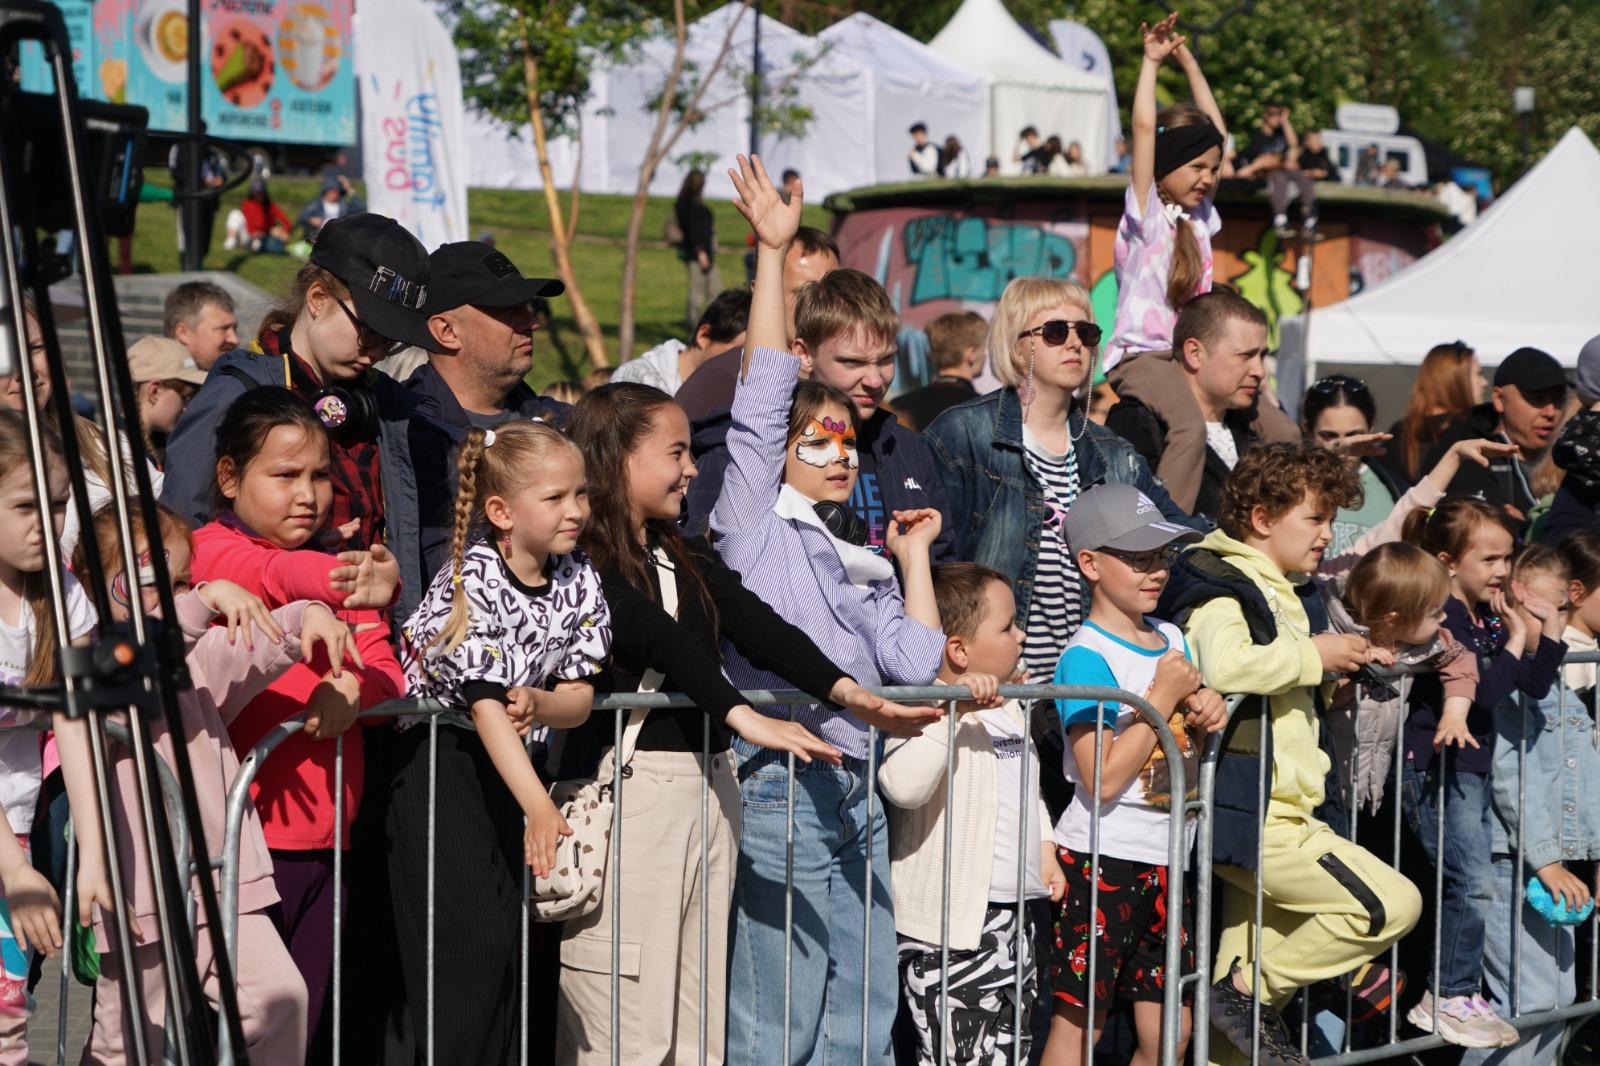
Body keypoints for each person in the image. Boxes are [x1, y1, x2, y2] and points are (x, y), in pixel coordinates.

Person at [562, 383, 930, 1063]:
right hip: (637, 796)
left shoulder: (682, 553)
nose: (693, 467)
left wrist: (852, 694)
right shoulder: (584, 562)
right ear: (619, 460)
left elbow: (762, 629)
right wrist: (740, 713)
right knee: (633, 1024)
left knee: (698, 1023)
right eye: (675, 452)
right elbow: (656, 638)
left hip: (710, 791)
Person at [718, 153, 946, 1066]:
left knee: (862, 998)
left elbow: (916, 664)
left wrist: (914, 560)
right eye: (817, 441)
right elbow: (765, 388)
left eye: (847, 442)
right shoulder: (749, 524)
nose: (840, 453)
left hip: (856, 780)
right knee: (781, 1006)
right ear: (778, 453)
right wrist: (775, 253)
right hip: (779, 780)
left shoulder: (856, 552)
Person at [1158, 442, 1421, 1066]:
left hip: (1287, 808)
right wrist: (1317, 656)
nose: (1328, 534)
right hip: (1255, 814)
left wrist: (1340, 670)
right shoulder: (1220, 583)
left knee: (1234, 1044)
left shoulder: (1288, 587)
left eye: (1332, 520)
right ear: (1262, 518)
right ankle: (1240, 992)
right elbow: (1223, 667)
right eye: (1316, 519)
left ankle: (1239, 999)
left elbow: (1284, 685)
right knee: (1389, 904)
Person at [70, 503, 337, 1064]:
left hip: (223, 883)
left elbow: (268, 639)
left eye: (180, 581)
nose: (169, 597)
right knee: (126, 1044)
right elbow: (122, 676)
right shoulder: (90, 660)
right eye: (147, 583)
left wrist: (310, 613)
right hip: (138, 893)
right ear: (93, 583)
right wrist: (204, 597)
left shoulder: (202, 655)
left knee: (282, 1001)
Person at [190, 388, 405, 1052]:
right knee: (225, 1029)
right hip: (236, 843)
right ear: (229, 477)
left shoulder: (328, 560)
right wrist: (343, 579)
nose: (308, 494)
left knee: (299, 1027)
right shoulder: (206, 553)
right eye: (284, 476)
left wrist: (352, 690)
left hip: (327, 845)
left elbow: (388, 671)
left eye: (318, 475)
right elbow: (271, 572)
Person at [394, 421, 610, 1064]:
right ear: (501, 512)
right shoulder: (475, 577)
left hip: (511, 769)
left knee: (508, 948)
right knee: (472, 950)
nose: (575, 510)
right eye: (555, 498)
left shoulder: (577, 574)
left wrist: (543, 702)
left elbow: (580, 696)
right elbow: (485, 710)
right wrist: (541, 807)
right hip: (443, 765)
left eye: (581, 493)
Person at [925, 277, 1195, 687]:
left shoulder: (1113, 453)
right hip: (996, 689)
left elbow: (1176, 537)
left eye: (1086, 333)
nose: (1075, 344)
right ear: (1017, 345)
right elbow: (937, 569)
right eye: (1054, 332)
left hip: (1085, 689)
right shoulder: (964, 434)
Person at [1042, 485, 1226, 1066]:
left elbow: (1186, 737)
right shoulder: (1085, 654)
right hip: (1104, 859)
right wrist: (1159, 697)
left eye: (1163, 556)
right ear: (1090, 564)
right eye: (1139, 557)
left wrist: (1209, 710)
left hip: (1171, 856)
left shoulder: (1171, 637)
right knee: (1080, 1031)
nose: (1157, 570)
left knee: (1171, 1035)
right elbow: (1101, 777)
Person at [161, 213, 439, 557]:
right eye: (370, 330)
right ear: (318, 299)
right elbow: (183, 530)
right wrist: (294, 560)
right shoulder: (238, 393)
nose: (379, 352)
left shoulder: (380, 398)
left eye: (392, 340)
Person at [1106, 18, 1299, 511]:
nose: (1208, 177)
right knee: (1190, 427)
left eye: (1214, 169)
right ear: (1165, 168)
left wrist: (1188, 59)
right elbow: (1145, 127)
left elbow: (1220, 133)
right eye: (1197, 168)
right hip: (1145, 357)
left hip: (1189, 358)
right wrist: (1151, 62)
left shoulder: (1198, 221)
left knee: (1282, 428)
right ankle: (1165, 529)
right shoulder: (1147, 217)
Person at [880, 562, 1067, 1066]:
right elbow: (902, 786)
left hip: (1020, 921)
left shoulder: (1009, 709)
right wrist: (954, 710)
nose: (1021, 634)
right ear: (958, 650)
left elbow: (1028, 793)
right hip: (952, 934)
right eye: (1007, 627)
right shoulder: (923, 711)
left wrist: (1045, 851)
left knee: (1013, 1054)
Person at [1399, 497, 1563, 1047]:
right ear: (1448, 561)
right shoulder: (1443, 615)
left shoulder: (1484, 615)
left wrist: (1550, 627)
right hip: (1439, 766)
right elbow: (1485, 696)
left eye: (1507, 558)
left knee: (1473, 886)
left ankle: (1454, 992)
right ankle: (1447, 994)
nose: (1502, 571)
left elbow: (1534, 684)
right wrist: (1517, 640)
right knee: (1470, 885)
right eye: (1490, 560)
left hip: (1470, 768)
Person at [682, 246, 954, 563]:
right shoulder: (749, 447)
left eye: (886, 360)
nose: (876, 380)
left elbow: (943, 564)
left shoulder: (906, 449)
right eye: (852, 362)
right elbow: (702, 564)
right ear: (804, 354)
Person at [1465, 541, 1600, 1066]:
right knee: (1526, 1005)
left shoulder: (1556, 675)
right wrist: (1544, 859)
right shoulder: (1507, 675)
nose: (1551, 621)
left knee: (1559, 1002)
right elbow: (1507, 773)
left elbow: (1580, 774)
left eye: (1559, 610)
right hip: (1514, 859)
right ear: (1507, 604)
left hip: (1555, 860)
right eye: (1538, 610)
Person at [401, 239, 570, 621]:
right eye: (509, 310)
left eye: (527, 306)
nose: (532, 321)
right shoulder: (405, 436)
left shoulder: (562, 426)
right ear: (446, 331)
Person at [0, 410, 93, 1060]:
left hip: (20, 825)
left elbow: (77, 718)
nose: (48, 521)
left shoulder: (62, 594)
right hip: (8, 851)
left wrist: (92, 853)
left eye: (58, 503)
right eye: (27, 504)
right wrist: (14, 870)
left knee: (11, 1008)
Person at [1108, 290, 1298, 520]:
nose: (1259, 371)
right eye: (1245, 356)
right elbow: (1131, 524)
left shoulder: (1253, 428)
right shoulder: (1138, 423)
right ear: (1194, 353)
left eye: (1261, 356)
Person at [1304, 372, 1516, 577]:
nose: (1346, 446)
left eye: (1354, 435)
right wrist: (1326, 462)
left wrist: (1453, 456)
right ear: (1307, 431)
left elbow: (1398, 526)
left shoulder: (1392, 487)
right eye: (1330, 437)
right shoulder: (1295, 489)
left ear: (1372, 429)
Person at [1326, 543, 1479, 819]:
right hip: (1323, 780)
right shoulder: (1331, 637)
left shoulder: (1425, 640)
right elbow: (1319, 699)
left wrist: (1455, 715)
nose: (1444, 618)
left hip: (1373, 779)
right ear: (1394, 619)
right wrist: (1359, 671)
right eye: (1434, 613)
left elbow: (1461, 661)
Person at [675, 225, 838, 422]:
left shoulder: (852, 377)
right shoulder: (721, 382)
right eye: (804, 292)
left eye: (833, 292)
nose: (821, 305)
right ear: (762, 291)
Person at [1422, 347, 1568, 528]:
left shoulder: (1573, 454)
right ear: (1499, 399)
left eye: (1558, 400)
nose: (1550, 412)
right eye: (1537, 399)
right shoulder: (1466, 452)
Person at [611, 287, 750, 396]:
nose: (748, 363)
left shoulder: (738, 390)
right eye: (740, 351)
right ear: (704, 336)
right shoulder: (638, 382)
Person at [1381, 342, 1485, 485]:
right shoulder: (1469, 429)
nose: (1484, 382)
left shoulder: (1399, 431)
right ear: (1455, 377)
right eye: (1479, 374)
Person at [890, 310, 987, 431]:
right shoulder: (986, 411)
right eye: (984, 348)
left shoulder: (898, 407)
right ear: (971, 354)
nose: (986, 354)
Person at [1234, 104, 1318, 234]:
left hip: (1283, 170)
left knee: (1303, 177)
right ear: (1265, 115)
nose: (1276, 118)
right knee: (1279, 177)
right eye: (1273, 114)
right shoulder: (1257, 136)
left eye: (1279, 114)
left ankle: (1310, 220)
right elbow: (1258, 162)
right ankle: (1280, 220)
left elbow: (1293, 144)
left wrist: (1285, 121)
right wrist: (1272, 162)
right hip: (1266, 174)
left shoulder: (1280, 134)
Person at [125, 335, 207, 468]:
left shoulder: (157, 442)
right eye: (185, 397)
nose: (187, 407)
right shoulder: (122, 450)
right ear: (154, 391)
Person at [676, 169, 720, 332]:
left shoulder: (690, 203)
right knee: (698, 293)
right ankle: (695, 327)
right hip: (699, 255)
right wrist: (701, 252)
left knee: (714, 291)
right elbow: (694, 231)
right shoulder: (690, 206)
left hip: (705, 253)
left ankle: (708, 324)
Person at [163, 280, 239, 371]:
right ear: (183, 333)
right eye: (223, 328)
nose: (235, 339)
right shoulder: (157, 381)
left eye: (234, 328)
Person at [224, 178, 292, 254]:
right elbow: (250, 221)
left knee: (257, 245)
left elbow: (287, 222)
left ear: (264, 192)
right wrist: (254, 233)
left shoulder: (271, 206)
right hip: (247, 234)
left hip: (261, 238)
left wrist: (282, 231)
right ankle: (231, 239)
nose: (258, 195)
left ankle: (243, 245)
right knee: (235, 213)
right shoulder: (247, 203)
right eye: (255, 192)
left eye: (260, 192)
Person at [298, 175, 366, 241]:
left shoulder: (343, 205)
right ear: (326, 192)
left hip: (338, 237)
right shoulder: (316, 204)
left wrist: (349, 188)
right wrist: (311, 220)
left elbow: (359, 207)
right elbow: (302, 217)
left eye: (337, 192)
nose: (335, 194)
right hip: (318, 237)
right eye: (333, 192)